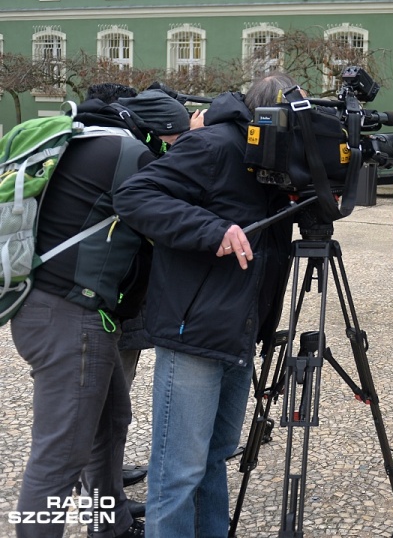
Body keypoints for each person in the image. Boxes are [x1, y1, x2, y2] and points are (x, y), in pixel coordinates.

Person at [114, 74, 296, 537]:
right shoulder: (214, 146)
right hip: (193, 331)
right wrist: (210, 228)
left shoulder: (272, 160)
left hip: (240, 329)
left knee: (215, 457)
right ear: (262, 119)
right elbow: (134, 196)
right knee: (179, 469)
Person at [10, 90, 191, 538]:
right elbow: (173, 215)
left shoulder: (88, 141)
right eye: (169, 138)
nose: (169, 149)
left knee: (109, 423)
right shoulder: (128, 152)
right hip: (70, 317)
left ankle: (109, 525)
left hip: (56, 311)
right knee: (59, 456)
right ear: (148, 129)